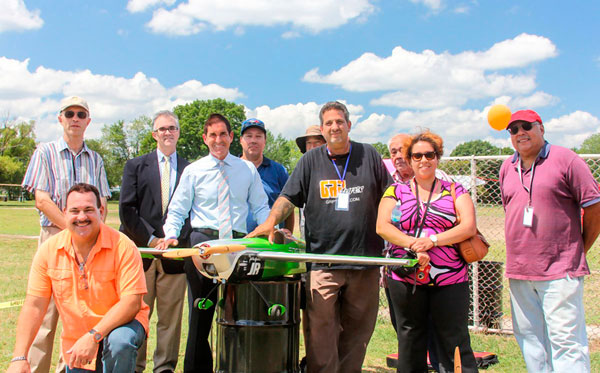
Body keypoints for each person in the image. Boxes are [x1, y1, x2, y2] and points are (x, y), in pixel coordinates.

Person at [249, 101, 390, 372]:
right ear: (323, 129)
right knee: (320, 336)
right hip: (323, 263)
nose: (334, 127)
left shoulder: (369, 155)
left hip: (364, 263)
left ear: (349, 125)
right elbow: (288, 198)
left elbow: (390, 195)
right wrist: (270, 221)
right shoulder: (310, 161)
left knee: (357, 335)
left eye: (339, 121)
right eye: (328, 123)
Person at [157, 113, 269, 372]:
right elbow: (177, 209)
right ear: (205, 139)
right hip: (203, 245)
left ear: (231, 137)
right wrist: (171, 233)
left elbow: (260, 206)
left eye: (223, 134)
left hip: (238, 246)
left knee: (241, 315)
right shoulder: (193, 171)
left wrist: (268, 228)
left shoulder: (247, 169)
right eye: (213, 135)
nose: (218, 140)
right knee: (200, 316)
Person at [7, 183, 149, 373]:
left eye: (88, 210)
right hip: (78, 342)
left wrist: (93, 336)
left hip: (121, 325)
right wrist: (19, 357)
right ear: (65, 212)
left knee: (120, 342)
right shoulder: (49, 250)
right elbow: (34, 305)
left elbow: (131, 303)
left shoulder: (123, 246)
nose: (81, 217)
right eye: (75, 211)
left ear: (101, 210)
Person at [499, 110, 600, 372]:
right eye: (513, 129)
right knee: (530, 340)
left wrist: (578, 249)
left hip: (560, 270)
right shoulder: (507, 167)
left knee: (566, 341)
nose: (520, 133)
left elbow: (594, 208)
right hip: (520, 271)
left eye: (526, 126)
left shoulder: (567, 160)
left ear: (541, 128)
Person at [21, 96, 111, 373]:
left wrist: (89, 234)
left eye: (81, 114)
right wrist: (72, 230)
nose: (75, 118)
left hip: (89, 243)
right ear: (60, 118)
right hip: (54, 237)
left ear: (88, 121)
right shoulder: (45, 152)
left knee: (80, 311)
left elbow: (102, 204)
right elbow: (42, 200)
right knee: (46, 315)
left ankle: (69, 368)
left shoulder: (95, 158)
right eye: (69, 113)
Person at [376, 130, 478, 372]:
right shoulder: (395, 192)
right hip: (405, 277)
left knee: (453, 339)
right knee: (410, 339)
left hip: (450, 278)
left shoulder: (455, 190)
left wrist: (432, 240)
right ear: (410, 159)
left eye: (429, 155)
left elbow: (468, 226)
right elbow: (382, 226)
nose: (424, 160)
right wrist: (413, 243)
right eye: (417, 155)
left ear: (437, 158)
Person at [119, 110, 191, 373]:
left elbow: (193, 212)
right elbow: (127, 210)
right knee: (137, 316)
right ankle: (135, 367)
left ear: (178, 133)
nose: (168, 133)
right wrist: (151, 239)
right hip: (141, 254)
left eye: (172, 128)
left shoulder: (190, 169)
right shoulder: (135, 166)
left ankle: (164, 368)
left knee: (170, 321)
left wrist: (172, 241)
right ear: (154, 134)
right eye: (162, 129)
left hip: (174, 257)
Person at [240, 118, 294, 232]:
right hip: (237, 241)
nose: (253, 140)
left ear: (265, 141)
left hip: (269, 241)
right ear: (241, 140)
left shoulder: (279, 171)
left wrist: (286, 237)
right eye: (249, 136)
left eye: (258, 136)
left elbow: (289, 207)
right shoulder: (231, 169)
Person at [294, 125, 326, 237]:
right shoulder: (301, 169)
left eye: (317, 142)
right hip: (308, 230)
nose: (312, 147)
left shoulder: (338, 168)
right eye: (309, 143)